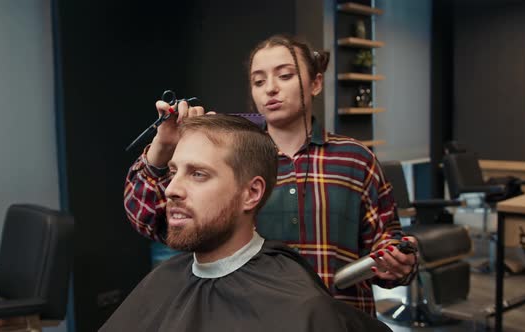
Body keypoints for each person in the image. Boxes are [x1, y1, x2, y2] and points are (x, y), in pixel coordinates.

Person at [123, 34, 417, 316]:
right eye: (258, 81)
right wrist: (163, 147)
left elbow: (385, 238)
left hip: (339, 320)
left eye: (285, 75)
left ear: (315, 83)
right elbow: (149, 217)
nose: (270, 89)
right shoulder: (237, 162)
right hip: (252, 319)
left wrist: (396, 262)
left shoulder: (355, 159)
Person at [104, 115, 390, 332]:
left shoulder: (302, 309)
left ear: (251, 193)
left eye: (198, 174)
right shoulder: (162, 284)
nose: (171, 190)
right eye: (174, 172)